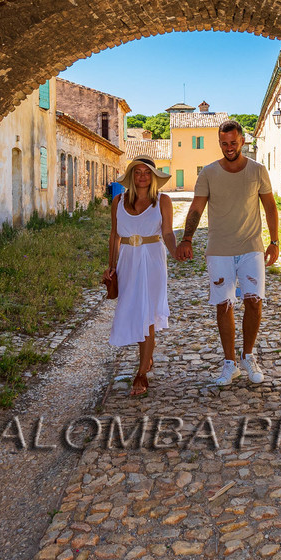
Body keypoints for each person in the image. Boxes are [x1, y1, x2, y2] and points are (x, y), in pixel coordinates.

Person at [174, 120, 279, 386]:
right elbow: (196, 208)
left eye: (233, 143)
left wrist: (275, 241)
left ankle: (248, 356)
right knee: (224, 305)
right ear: (219, 143)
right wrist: (186, 238)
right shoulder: (208, 173)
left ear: (242, 141)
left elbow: (270, 208)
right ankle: (230, 363)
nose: (229, 147)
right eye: (224, 143)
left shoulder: (257, 170)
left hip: (251, 248)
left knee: (254, 301)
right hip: (219, 250)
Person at [105, 157, 176, 397]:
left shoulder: (163, 201)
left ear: (154, 176)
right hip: (127, 259)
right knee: (136, 310)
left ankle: (142, 371)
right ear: (131, 176)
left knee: (147, 314)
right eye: (138, 172)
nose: (143, 176)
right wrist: (111, 266)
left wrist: (176, 251)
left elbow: (167, 232)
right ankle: (147, 358)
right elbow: (114, 235)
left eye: (147, 172)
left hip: (153, 259)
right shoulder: (119, 200)